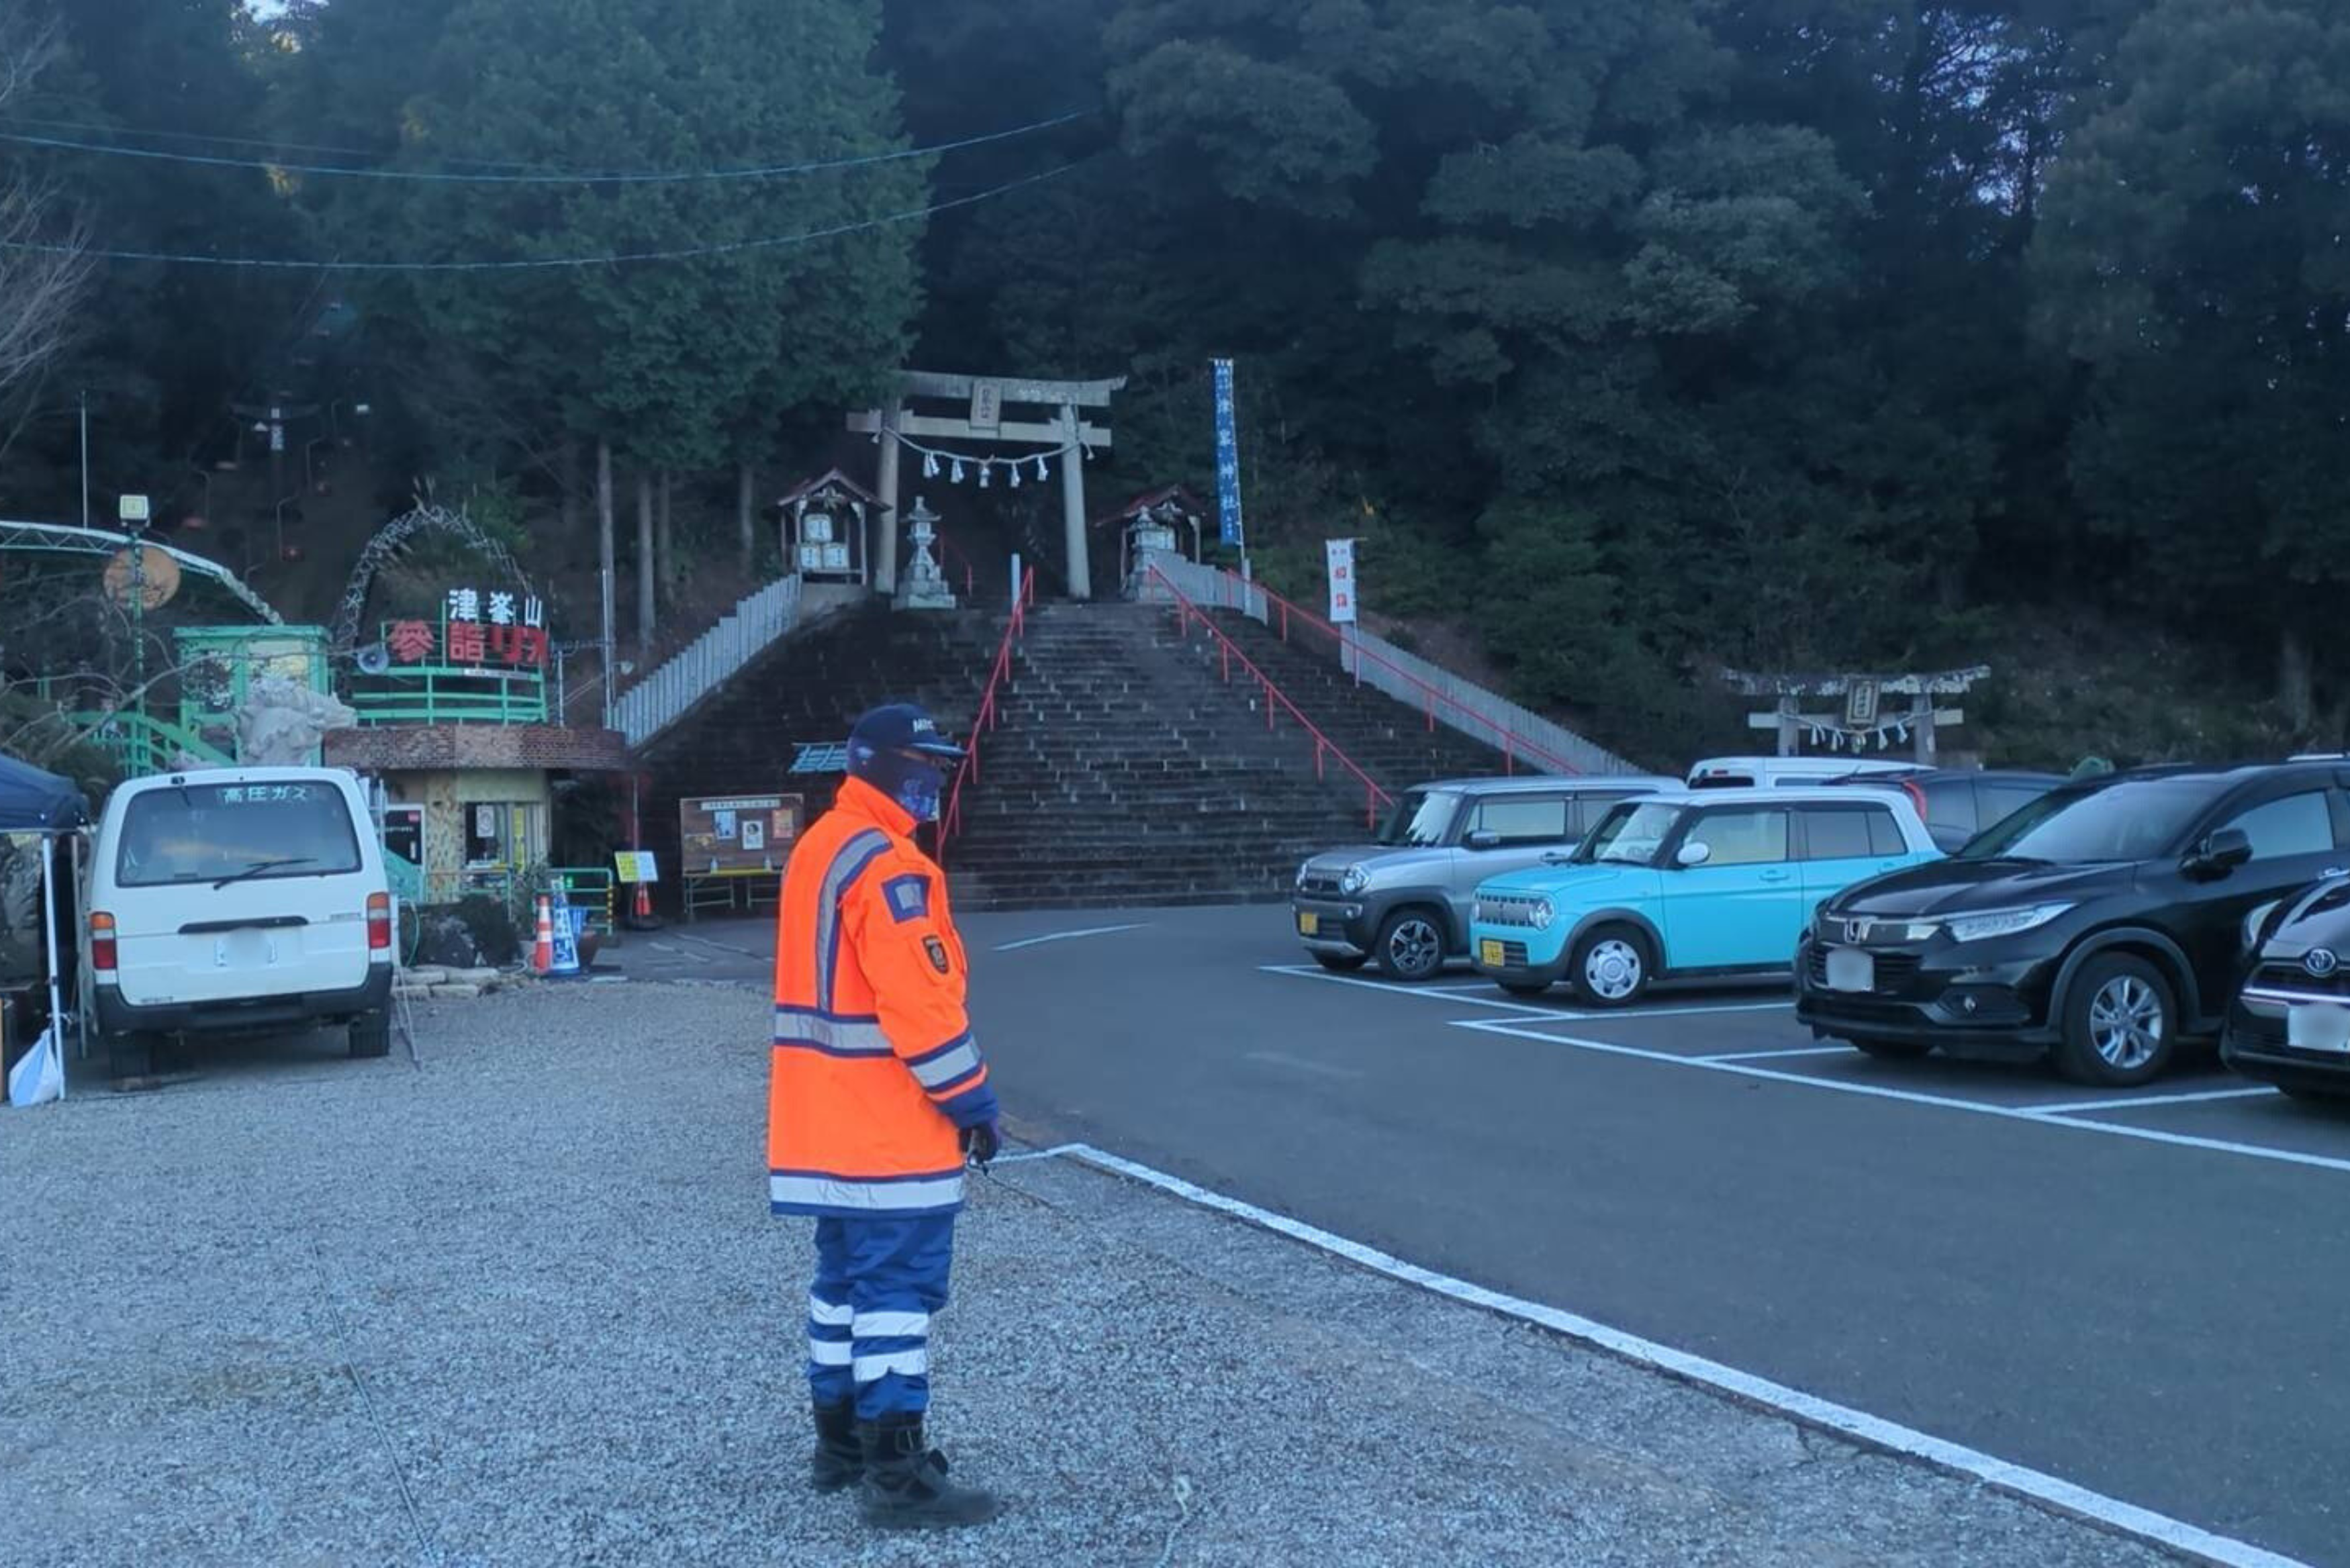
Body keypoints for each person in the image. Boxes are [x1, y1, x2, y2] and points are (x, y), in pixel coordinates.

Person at [769, 701, 1002, 1529]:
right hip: (888, 1131)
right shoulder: (889, 865)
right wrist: (971, 1098)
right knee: (897, 1296)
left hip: (824, 1124)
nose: (936, 777)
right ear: (883, 763)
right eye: (927, 763)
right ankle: (897, 1475)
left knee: (840, 1290)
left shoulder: (821, 845)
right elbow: (921, 1005)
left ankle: (838, 1448)